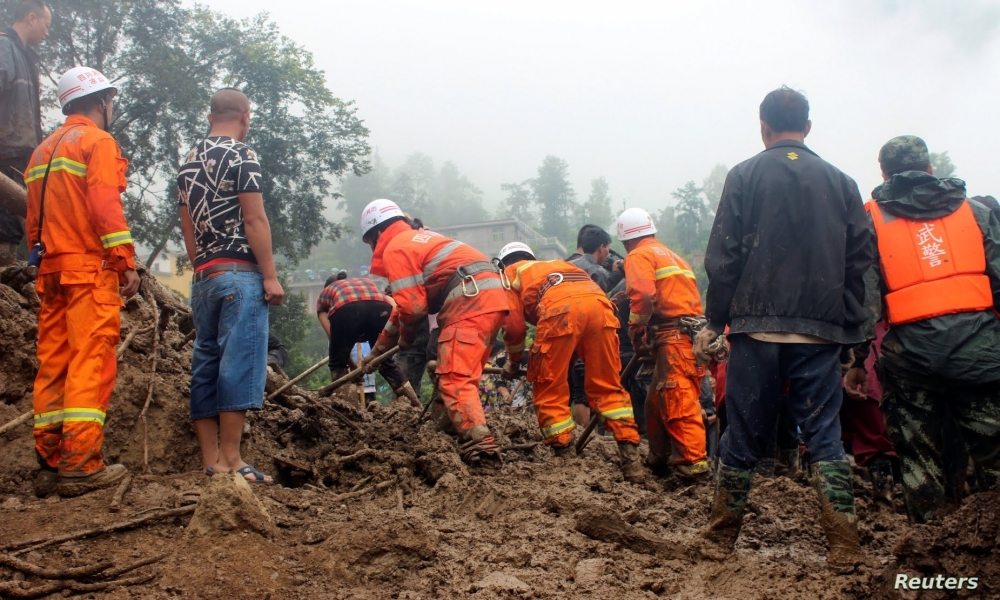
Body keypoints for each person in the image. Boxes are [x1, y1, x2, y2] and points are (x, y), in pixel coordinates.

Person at [697, 86, 871, 569]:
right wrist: (852, 335)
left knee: (743, 435)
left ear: (763, 126)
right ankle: (845, 545)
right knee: (824, 435)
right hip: (820, 333)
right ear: (809, 127)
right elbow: (859, 263)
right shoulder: (841, 182)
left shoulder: (745, 175)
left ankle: (718, 540)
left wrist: (716, 320)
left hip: (756, 330)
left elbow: (724, 257)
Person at [845, 135, 1000, 523]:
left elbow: (864, 300)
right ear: (931, 169)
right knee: (995, 454)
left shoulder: (872, 218)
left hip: (912, 361)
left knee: (919, 460)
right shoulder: (977, 211)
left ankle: (930, 559)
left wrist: (858, 360)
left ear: (883, 173)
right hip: (980, 353)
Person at [27, 66, 137, 497]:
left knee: (53, 363)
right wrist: (124, 259)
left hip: (51, 270)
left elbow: (33, 221)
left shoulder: (42, 151)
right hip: (87, 270)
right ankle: (81, 463)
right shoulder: (98, 141)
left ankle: (49, 464)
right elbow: (105, 204)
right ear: (101, 101)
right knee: (91, 358)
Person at [177, 88, 284, 485]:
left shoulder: (188, 163)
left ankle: (210, 462)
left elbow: (187, 227)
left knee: (205, 364)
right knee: (238, 362)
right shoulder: (243, 156)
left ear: (210, 116)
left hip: (204, 276)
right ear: (246, 117)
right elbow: (254, 219)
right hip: (240, 273)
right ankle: (232, 460)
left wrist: (202, 267)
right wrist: (269, 275)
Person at [360, 199, 508, 463]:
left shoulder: (395, 247)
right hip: (491, 297)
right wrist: (377, 352)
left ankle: (482, 448)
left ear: (377, 233)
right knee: (450, 374)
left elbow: (413, 310)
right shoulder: (420, 240)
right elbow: (402, 311)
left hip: (468, 299)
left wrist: (405, 340)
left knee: (454, 377)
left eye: (370, 243)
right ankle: (442, 435)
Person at [497, 241, 645, 482]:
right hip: (601, 308)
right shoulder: (556, 265)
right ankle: (631, 460)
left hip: (560, 310)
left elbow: (514, 327)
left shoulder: (509, 276)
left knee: (549, 389)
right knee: (608, 387)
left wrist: (513, 363)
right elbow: (581, 310)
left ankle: (566, 459)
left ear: (503, 263)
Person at [616, 207, 709, 479]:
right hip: (689, 335)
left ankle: (693, 466)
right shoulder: (675, 257)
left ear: (624, 239)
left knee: (677, 399)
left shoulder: (638, 255)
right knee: (656, 401)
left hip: (674, 336)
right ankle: (659, 457)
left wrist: (636, 330)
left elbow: (644, 295)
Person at [315, 272, 419, 406]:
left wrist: (350, 367)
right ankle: (414, 405)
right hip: (380, 307)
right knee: (386, 363)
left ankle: (349, 411)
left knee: (338, 365)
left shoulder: (324, 296)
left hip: (347, 309)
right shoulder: (364, 283)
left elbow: (334, 340)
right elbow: (392, 305)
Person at [0, 0, 49, 265]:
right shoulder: (4, 47)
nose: (47, 31)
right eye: (45, 23)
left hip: (20, 151)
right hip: (7, 151)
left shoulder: (23, 55)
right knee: (7, 219)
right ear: (31, 18)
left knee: (18, 219)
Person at [565, 224, 623, 427]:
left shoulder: (565, 264)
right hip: (586, 336)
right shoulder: (593, 269)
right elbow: (596, 294)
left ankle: (566, 436)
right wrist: (617, 273)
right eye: (607, 248)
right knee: (583, 393)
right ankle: (585, 440)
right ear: (601, 248)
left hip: (564, 333)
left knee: (566, 391)